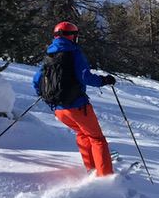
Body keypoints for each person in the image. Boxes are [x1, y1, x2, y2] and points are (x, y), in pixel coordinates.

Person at [33, 21, 116, 177]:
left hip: (59, 110)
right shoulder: (74, 52)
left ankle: (92, 169)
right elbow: (85, 77)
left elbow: (36, 80)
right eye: (75, 35)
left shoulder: (49, 55)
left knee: (82, 134)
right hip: (77, 107)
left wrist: (45, 94)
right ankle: (105, 177)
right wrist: (104, 80)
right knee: (97, 139)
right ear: (71, 36)